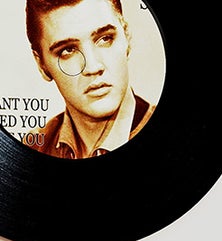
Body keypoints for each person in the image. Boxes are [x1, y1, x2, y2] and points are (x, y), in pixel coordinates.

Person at [24, 0, 153, 159]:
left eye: (105, 39)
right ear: (41, 64)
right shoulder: (34, 147)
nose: (92, 67)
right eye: (67, 50)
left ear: (127, 36)